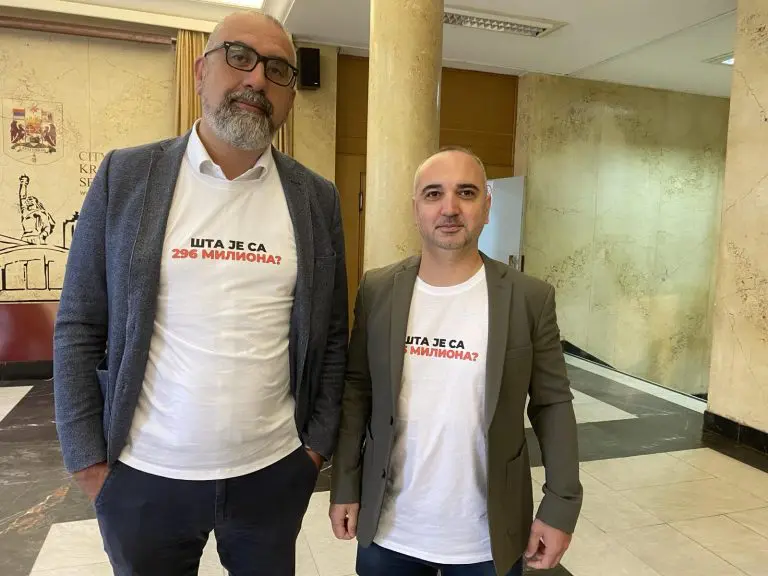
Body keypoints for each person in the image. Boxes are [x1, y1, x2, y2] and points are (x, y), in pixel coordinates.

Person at [54, 10, 348, 576]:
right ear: (200, 71)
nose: (257, 79)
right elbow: (79, 324)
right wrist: (87, 461)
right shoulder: (126, 176)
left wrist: (313, 451)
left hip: (273, 473)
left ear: (290, 96)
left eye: (278, 70)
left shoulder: (316, 198)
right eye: (239, 57)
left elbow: (332, 333)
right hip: (143, 478)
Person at [329, 148, 582, 576]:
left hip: (484, 537)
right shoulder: (378, 290)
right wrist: (345, 483)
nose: (449, 208)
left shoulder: (528, 298)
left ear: (487, 206)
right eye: (433, 194)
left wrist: (560, 505)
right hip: (390, 529)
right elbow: (358, 391)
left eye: (466, 192)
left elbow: (552, 404)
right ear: (416, 209)